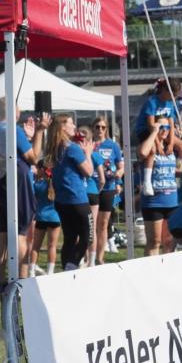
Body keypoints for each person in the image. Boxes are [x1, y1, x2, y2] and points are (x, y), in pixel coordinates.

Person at [0, 98, 46, 294]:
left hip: (1, 180)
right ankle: (21, 281)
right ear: (14, 112)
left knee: (3, 230)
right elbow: (33, 157)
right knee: (20, 230)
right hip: (16, 182)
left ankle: (0, 281)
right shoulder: (13, 130)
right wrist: (39, 131)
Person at [46, 114, 94, 271]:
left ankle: (67, 269)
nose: (74, 127)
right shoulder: (72, 148)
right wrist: (87, 152)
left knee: (70, 237)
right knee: (88, 236)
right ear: (62, 127)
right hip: (77, 199)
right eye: (71, 124)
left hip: (62, 201)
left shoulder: (55, 147)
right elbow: (88, 171)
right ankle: (70, 268)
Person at [138, 116, 182, 255]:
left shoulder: (170, 147)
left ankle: (167, 273)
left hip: (171, 200)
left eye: (167, 128)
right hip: (153, 202)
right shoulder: (149, 146)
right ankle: (151, 272)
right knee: (154, 242)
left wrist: (171, 127)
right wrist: (154, 132)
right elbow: (142, 153)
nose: (165, 131)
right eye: (161, 127)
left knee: (169, 241)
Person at [135, 77, 182, 195]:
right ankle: (147, 182)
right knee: (153, 150)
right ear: (165, 90)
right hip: (147, 130)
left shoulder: (171, 103)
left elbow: (171, 123)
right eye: (173, 95)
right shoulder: (152, 101)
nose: (174, 98)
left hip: (163, 130)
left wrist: (171, 143)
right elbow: (151, 125)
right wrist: (158, 145)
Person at [91, 117, 124, 264]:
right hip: (91, 186)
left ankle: (99, 257)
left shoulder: (113, 145)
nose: (100, 130)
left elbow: (121, 166)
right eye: (97, 127)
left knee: (103, 224)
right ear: (93, 128)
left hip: (108, 187)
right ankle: (89, 256)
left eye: (103, 127)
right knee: (91, 223)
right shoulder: (88, 144)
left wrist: (119, 179)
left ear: (107, 129)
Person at [78, 125, 106, 266]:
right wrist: (97, 189)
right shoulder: (95, 155)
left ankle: (82, 258)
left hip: (80, 193)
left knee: (80, 227)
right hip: (93, 192)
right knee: (92, 227)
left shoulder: (76, 154)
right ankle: (92, 260)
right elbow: (102, 178)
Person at [30, 160, 61, 275]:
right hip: (55, 218)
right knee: (52, 246)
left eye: (37, 169)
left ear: (42, 170)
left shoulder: (38, 184)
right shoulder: (57, 183)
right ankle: (50, 271)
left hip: (41, 217)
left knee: (35, 246)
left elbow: (32, 197)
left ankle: (31, 271)